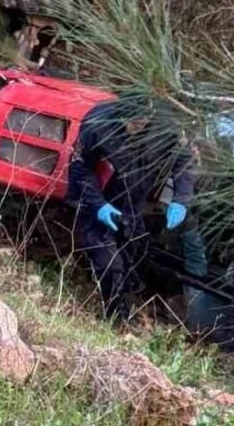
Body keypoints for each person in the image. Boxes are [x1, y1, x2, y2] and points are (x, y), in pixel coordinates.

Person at [67, 92, 198, 321]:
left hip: (135, 200)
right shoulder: (99, 122)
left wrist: (181, 200)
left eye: (139, 121)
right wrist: (98, 205)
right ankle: (116, 318)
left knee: (135, 260)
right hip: (99, 198)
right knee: (109, 262)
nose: (132, 126)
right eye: (128, 121)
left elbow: (183, 164)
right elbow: (80, 167)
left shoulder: (166, 129)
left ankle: (130, 304)